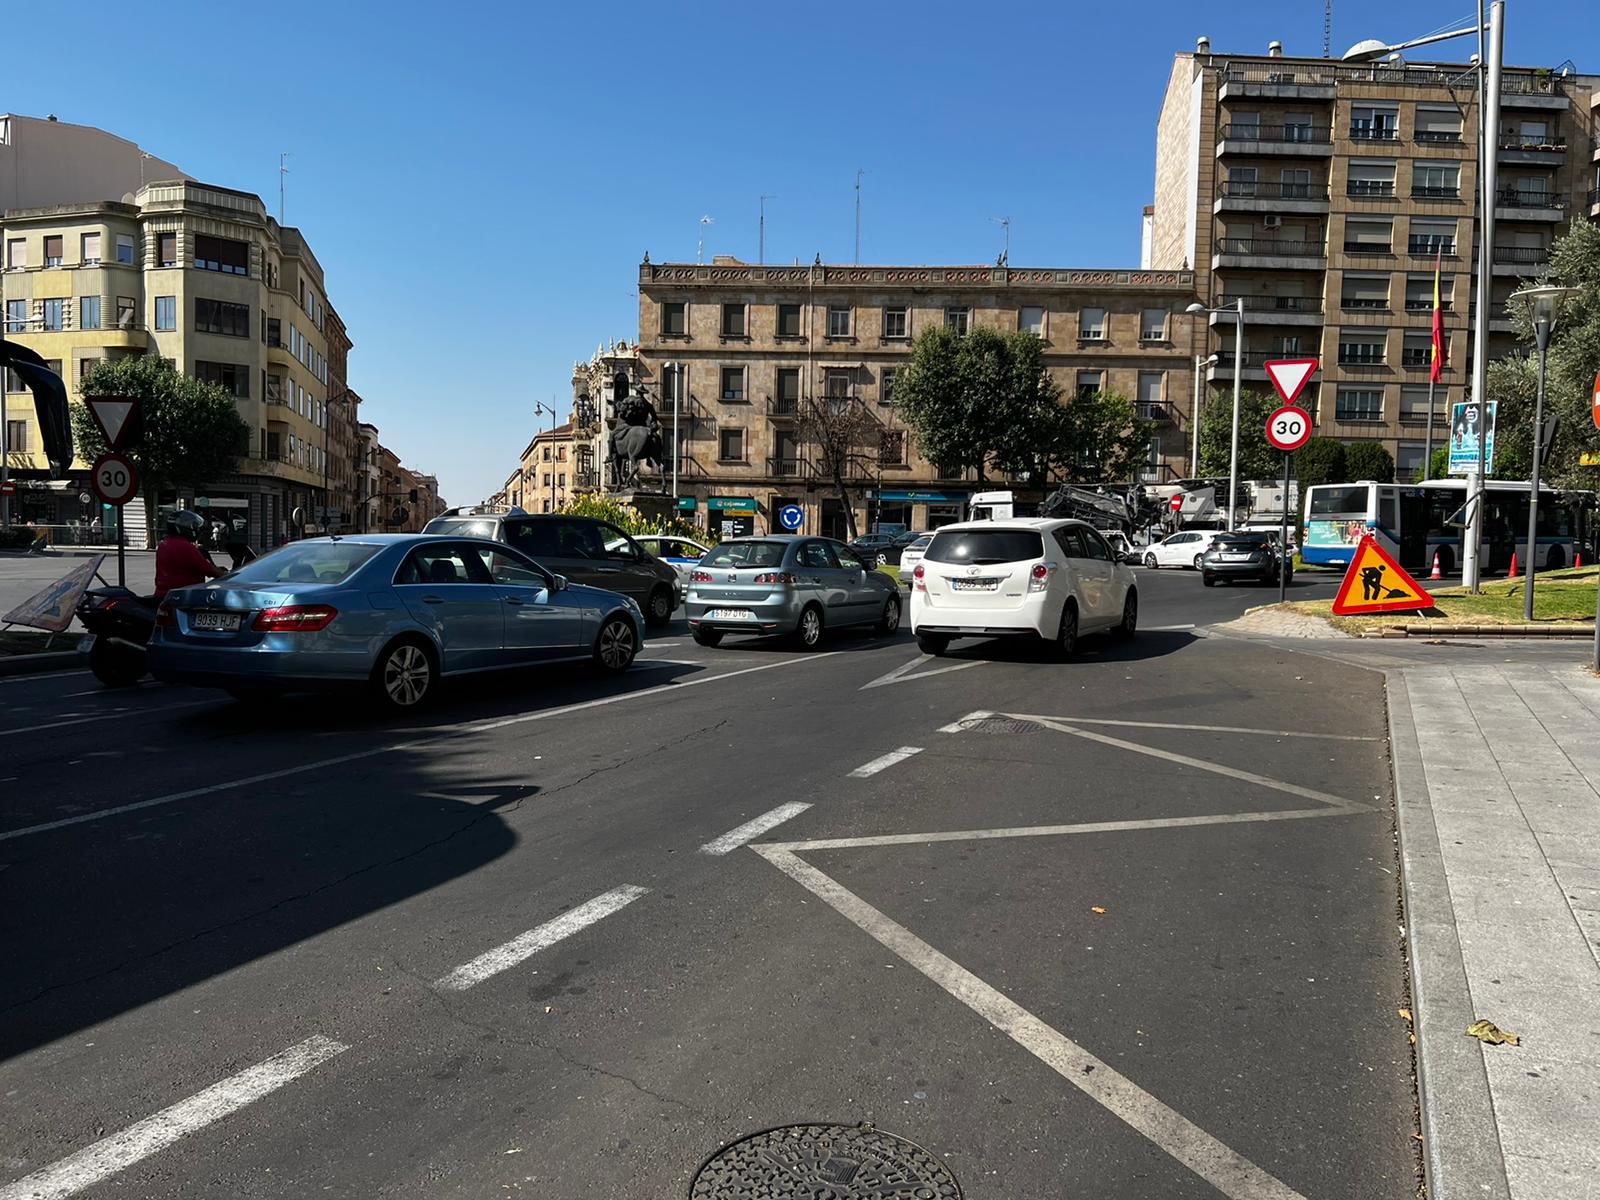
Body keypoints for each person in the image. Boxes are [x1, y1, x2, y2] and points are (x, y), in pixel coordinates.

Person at [154, 509, 227, 599]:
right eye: (193, 526)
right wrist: (227, 575)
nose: (196, 529)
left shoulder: (164, 543)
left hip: (163, 594)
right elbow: (209, 570)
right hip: (183, 597)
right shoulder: (185, 546)